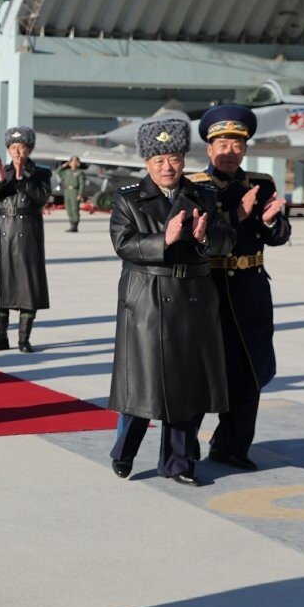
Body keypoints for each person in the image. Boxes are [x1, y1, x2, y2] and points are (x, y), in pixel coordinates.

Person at [107, 119, 234, 486]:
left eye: (174, 157)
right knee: (143, 387)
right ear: (147, 161)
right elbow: (123, 244)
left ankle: (178, 463)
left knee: (187, 386)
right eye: (159, 159)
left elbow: (227, 241)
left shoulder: (203, 197)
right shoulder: (128, 198)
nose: (168, 166)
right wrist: (166, 238)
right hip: (147, 300)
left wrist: (204, 236)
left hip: (193, 298)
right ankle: (125, 451)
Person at [192, 104, 290, 471]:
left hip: (251, 289)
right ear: (209, 148)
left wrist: (267, 223)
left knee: (250, 371)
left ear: (246, 147)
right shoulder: (195, 186)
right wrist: (241, 215)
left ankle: (233, 446)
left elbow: (280, 235)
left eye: (237, 144)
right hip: (209, 290)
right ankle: (184, 449)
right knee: (204, 372)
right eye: (222, 144)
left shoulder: (262, 184)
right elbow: (200, 237)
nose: (229, 152)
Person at [0, 126, 52, 353]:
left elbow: (41, 198)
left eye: (22, 147)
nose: (17, 152)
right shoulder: (1, 171)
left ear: (29, 149)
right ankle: (0, 336)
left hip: (27, 232)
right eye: (13, 147)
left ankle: (24, 338)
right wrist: (1, 181)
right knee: (0, 285)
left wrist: (21, 179)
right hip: (3, 232)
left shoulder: (41, 173)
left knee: (27, 285)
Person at [58, 156, 87, 232]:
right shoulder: (67, 172)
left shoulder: (80, 173)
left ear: (78, 163)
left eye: (75, 161)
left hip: (75, 191)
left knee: (75, 209)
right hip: (67, 191)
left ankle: (75, 226)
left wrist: (80, 194)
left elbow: (82, 184)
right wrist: (63, 166)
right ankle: (71, 225)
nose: (74, 163)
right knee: (68, 208)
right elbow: (58, 172)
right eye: (72, 161)